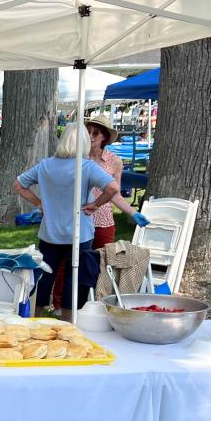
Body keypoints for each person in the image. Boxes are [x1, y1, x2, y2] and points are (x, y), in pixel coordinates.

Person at [13, 124, 121, 316]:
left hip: (50, 233)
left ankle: (36, 317)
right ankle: (68, 321)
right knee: (74, 279)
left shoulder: (45, 165)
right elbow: (112, 188)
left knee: (45, 276)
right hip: (80, 233)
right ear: (84, 143)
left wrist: (39, 203)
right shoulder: (86, 166)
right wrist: (96, 204)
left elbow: (19, 184)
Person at [50, 113, 149, 310]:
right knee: (66, 264)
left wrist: (131, 212)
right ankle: (60, 304)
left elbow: (116, 193)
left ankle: (92, 304)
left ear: (104, 136)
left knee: (100, 263)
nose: (92, 136)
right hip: (77, 219)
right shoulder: (75, 158)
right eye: (88, 132)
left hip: (103, 219)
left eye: (96, 133)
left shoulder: (115, 161)